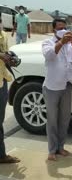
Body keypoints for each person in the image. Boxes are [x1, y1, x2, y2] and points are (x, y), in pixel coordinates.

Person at [42, 19, 72, 161]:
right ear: (54, 30)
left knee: (64, 119)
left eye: (65, 27)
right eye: (60, 28)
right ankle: (52, 150)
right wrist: (61, 42)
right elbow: (49, 55)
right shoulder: (48, 43)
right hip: (52, 87)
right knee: (52, 119)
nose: (64, 30)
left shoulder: (70, 46)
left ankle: (60, 147)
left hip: (67, 85)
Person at [0, 19, 20, 164]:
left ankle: (1, 155)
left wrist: (9, 59)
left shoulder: (3, 35)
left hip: (2, 80)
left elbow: (4, 55)